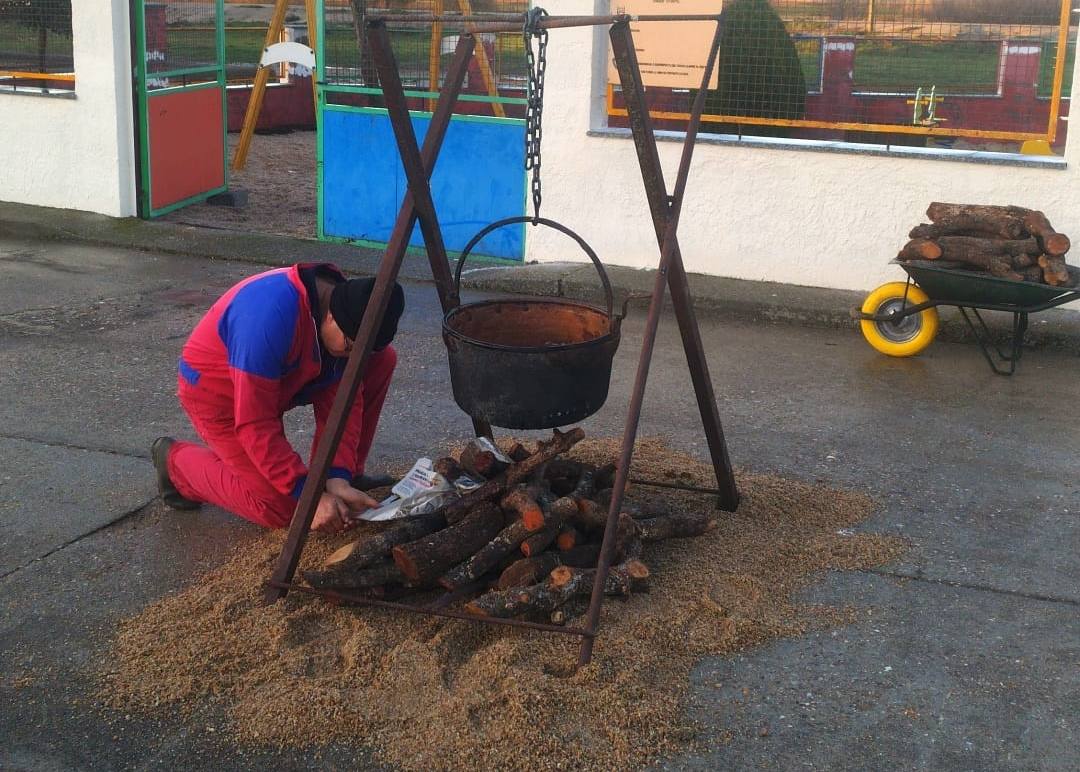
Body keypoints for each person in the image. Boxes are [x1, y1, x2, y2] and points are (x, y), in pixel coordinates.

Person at [151, 263, 404, 535]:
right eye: (350, 346)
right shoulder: (266, 319)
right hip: (220, 396)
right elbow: (255, 423)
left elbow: (342, 404)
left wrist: (337, 476)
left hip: (284, 378)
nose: (353, 356)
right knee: (284, 509)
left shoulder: (347, 307)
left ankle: (348, 477)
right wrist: (308, 494)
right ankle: (176, 465)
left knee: (379, 360)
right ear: (331, 316)